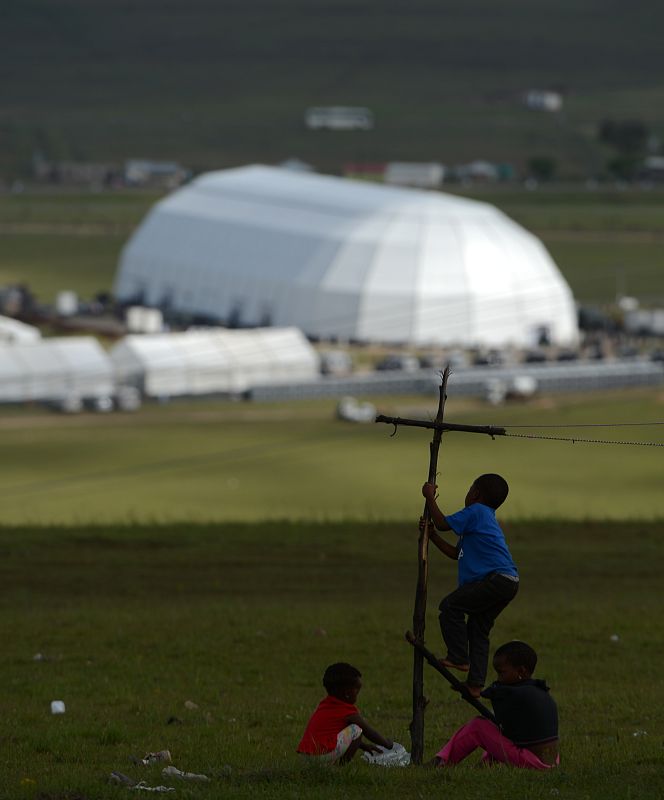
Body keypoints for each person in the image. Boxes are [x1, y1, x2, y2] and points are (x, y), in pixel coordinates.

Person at [421, 473, 518, 697]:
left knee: (450, 606)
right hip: (508, 582)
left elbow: (444, 523)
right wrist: (432, 536)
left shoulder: (476, 511)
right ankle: (475, 684)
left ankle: (458, 657)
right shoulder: (483, 518)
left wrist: (429, 498)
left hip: (496, 579)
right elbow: (456, 554)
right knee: (478, 630)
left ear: (475, 493)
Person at [429, 640, 559, 769]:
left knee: (478, 726)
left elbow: (491, 693)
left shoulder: (513, 693)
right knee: (497, 730)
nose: (498, 678)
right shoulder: (539, 689)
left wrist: (473, 688)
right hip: (552, 761)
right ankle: (485, 766)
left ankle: (441, 763)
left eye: (501, 673)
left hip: (533, 762)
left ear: (521, 671)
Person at [297, 662, 394, 764]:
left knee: (352, 730)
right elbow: (368, 731)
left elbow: (334, 734)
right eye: (357, 689)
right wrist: (387, 744)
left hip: (306, 756)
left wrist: (363, 746)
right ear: (347, 693)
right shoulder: (347, 710)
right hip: (321, 754)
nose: (358, 693)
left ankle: (325, 765)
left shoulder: (325, 704)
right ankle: (342, 767)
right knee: (356, 729)